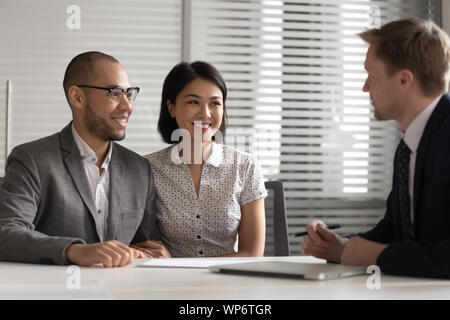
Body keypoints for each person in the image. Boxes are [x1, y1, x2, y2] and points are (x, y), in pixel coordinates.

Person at [301, 17, 450, 278]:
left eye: (371, 76)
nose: (364, 87)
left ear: (404, 80)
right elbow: (395, 230)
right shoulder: (410, 144)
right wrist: (339, 246)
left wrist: (376, 256)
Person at [0, 51, 169, 267]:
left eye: (129, 94)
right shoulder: (32, 159)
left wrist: (156, 254)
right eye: (115, 93)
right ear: (77, 97)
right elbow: (6, 233)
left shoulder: (139, 168)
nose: (127, 106)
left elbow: (146, 245)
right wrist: (75, 251)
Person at [144, 61, 267, 257]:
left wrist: (183, 267)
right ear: (171, 108)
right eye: (193, 102)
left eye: (215, 103)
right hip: (168, 282)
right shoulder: (147, 169)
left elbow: (252, 254)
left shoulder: (245, 166)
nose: (205, 113)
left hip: (228, 282)